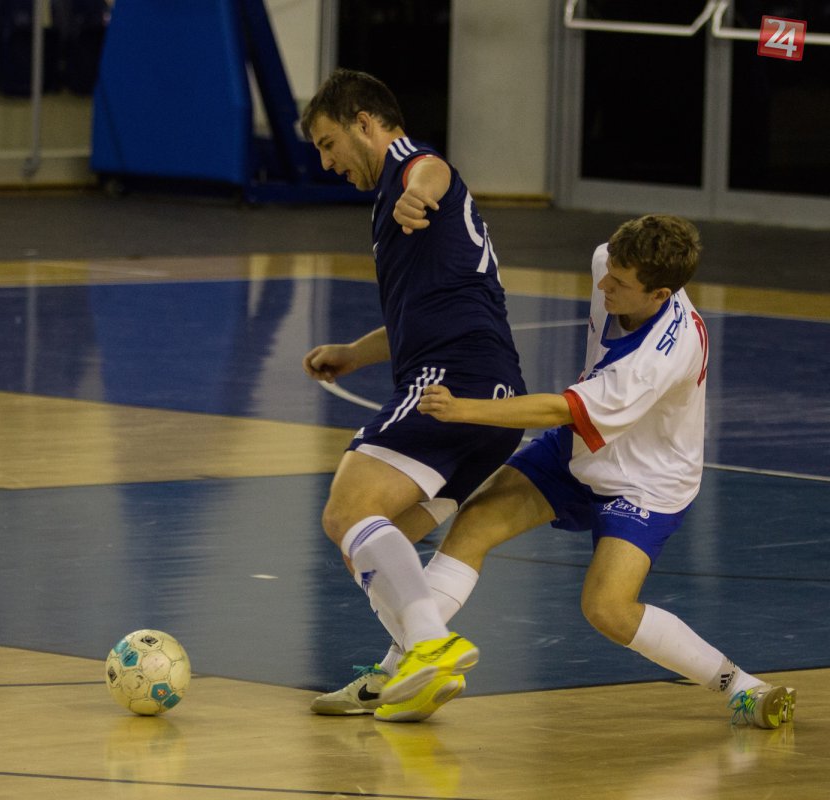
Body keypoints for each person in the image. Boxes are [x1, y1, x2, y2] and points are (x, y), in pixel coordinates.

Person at [394, 213, 793, 729]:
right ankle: (397, 669)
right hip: (579, 448)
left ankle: (742, 688)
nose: (604, 285)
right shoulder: (612, 260)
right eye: (609, 273)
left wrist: (462, 409)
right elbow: (574, 412)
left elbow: (560, 408)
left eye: (619, 284)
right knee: (474, 524)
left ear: (660, 294)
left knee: (607, 608)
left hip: (646, 481)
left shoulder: (659, 357)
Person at [299, 68, 527, 722]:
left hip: (451, 382)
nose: (327, 162)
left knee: (346, 512)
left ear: (364, 122)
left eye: (328, 144)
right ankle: (400, 670)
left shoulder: (409, 168)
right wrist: (355, 352)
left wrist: (416, 196)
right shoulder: (390, 204)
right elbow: (420, 314)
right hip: (493, 400)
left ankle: (431, 645)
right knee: (377, 541)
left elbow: (432, 170)